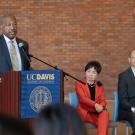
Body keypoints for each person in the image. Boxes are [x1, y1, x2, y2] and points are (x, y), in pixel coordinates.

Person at [75, 61, 109, 135]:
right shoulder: (79, 83)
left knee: (105, 113)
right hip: (85, 112)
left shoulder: (100, 85)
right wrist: (95, 105)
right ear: (85, 72)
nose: (91, 74)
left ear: (97, 74)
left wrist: (101, 107)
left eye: (94, 72)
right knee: (103, 123)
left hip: (96, 112)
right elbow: (82, 99)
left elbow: (103, 100)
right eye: (89, 71)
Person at [118, 50, 135, 135]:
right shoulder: (123, 76)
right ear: (129, 60)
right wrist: (133, 109)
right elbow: (122, 99)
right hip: (127, 110)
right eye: (133, 57)